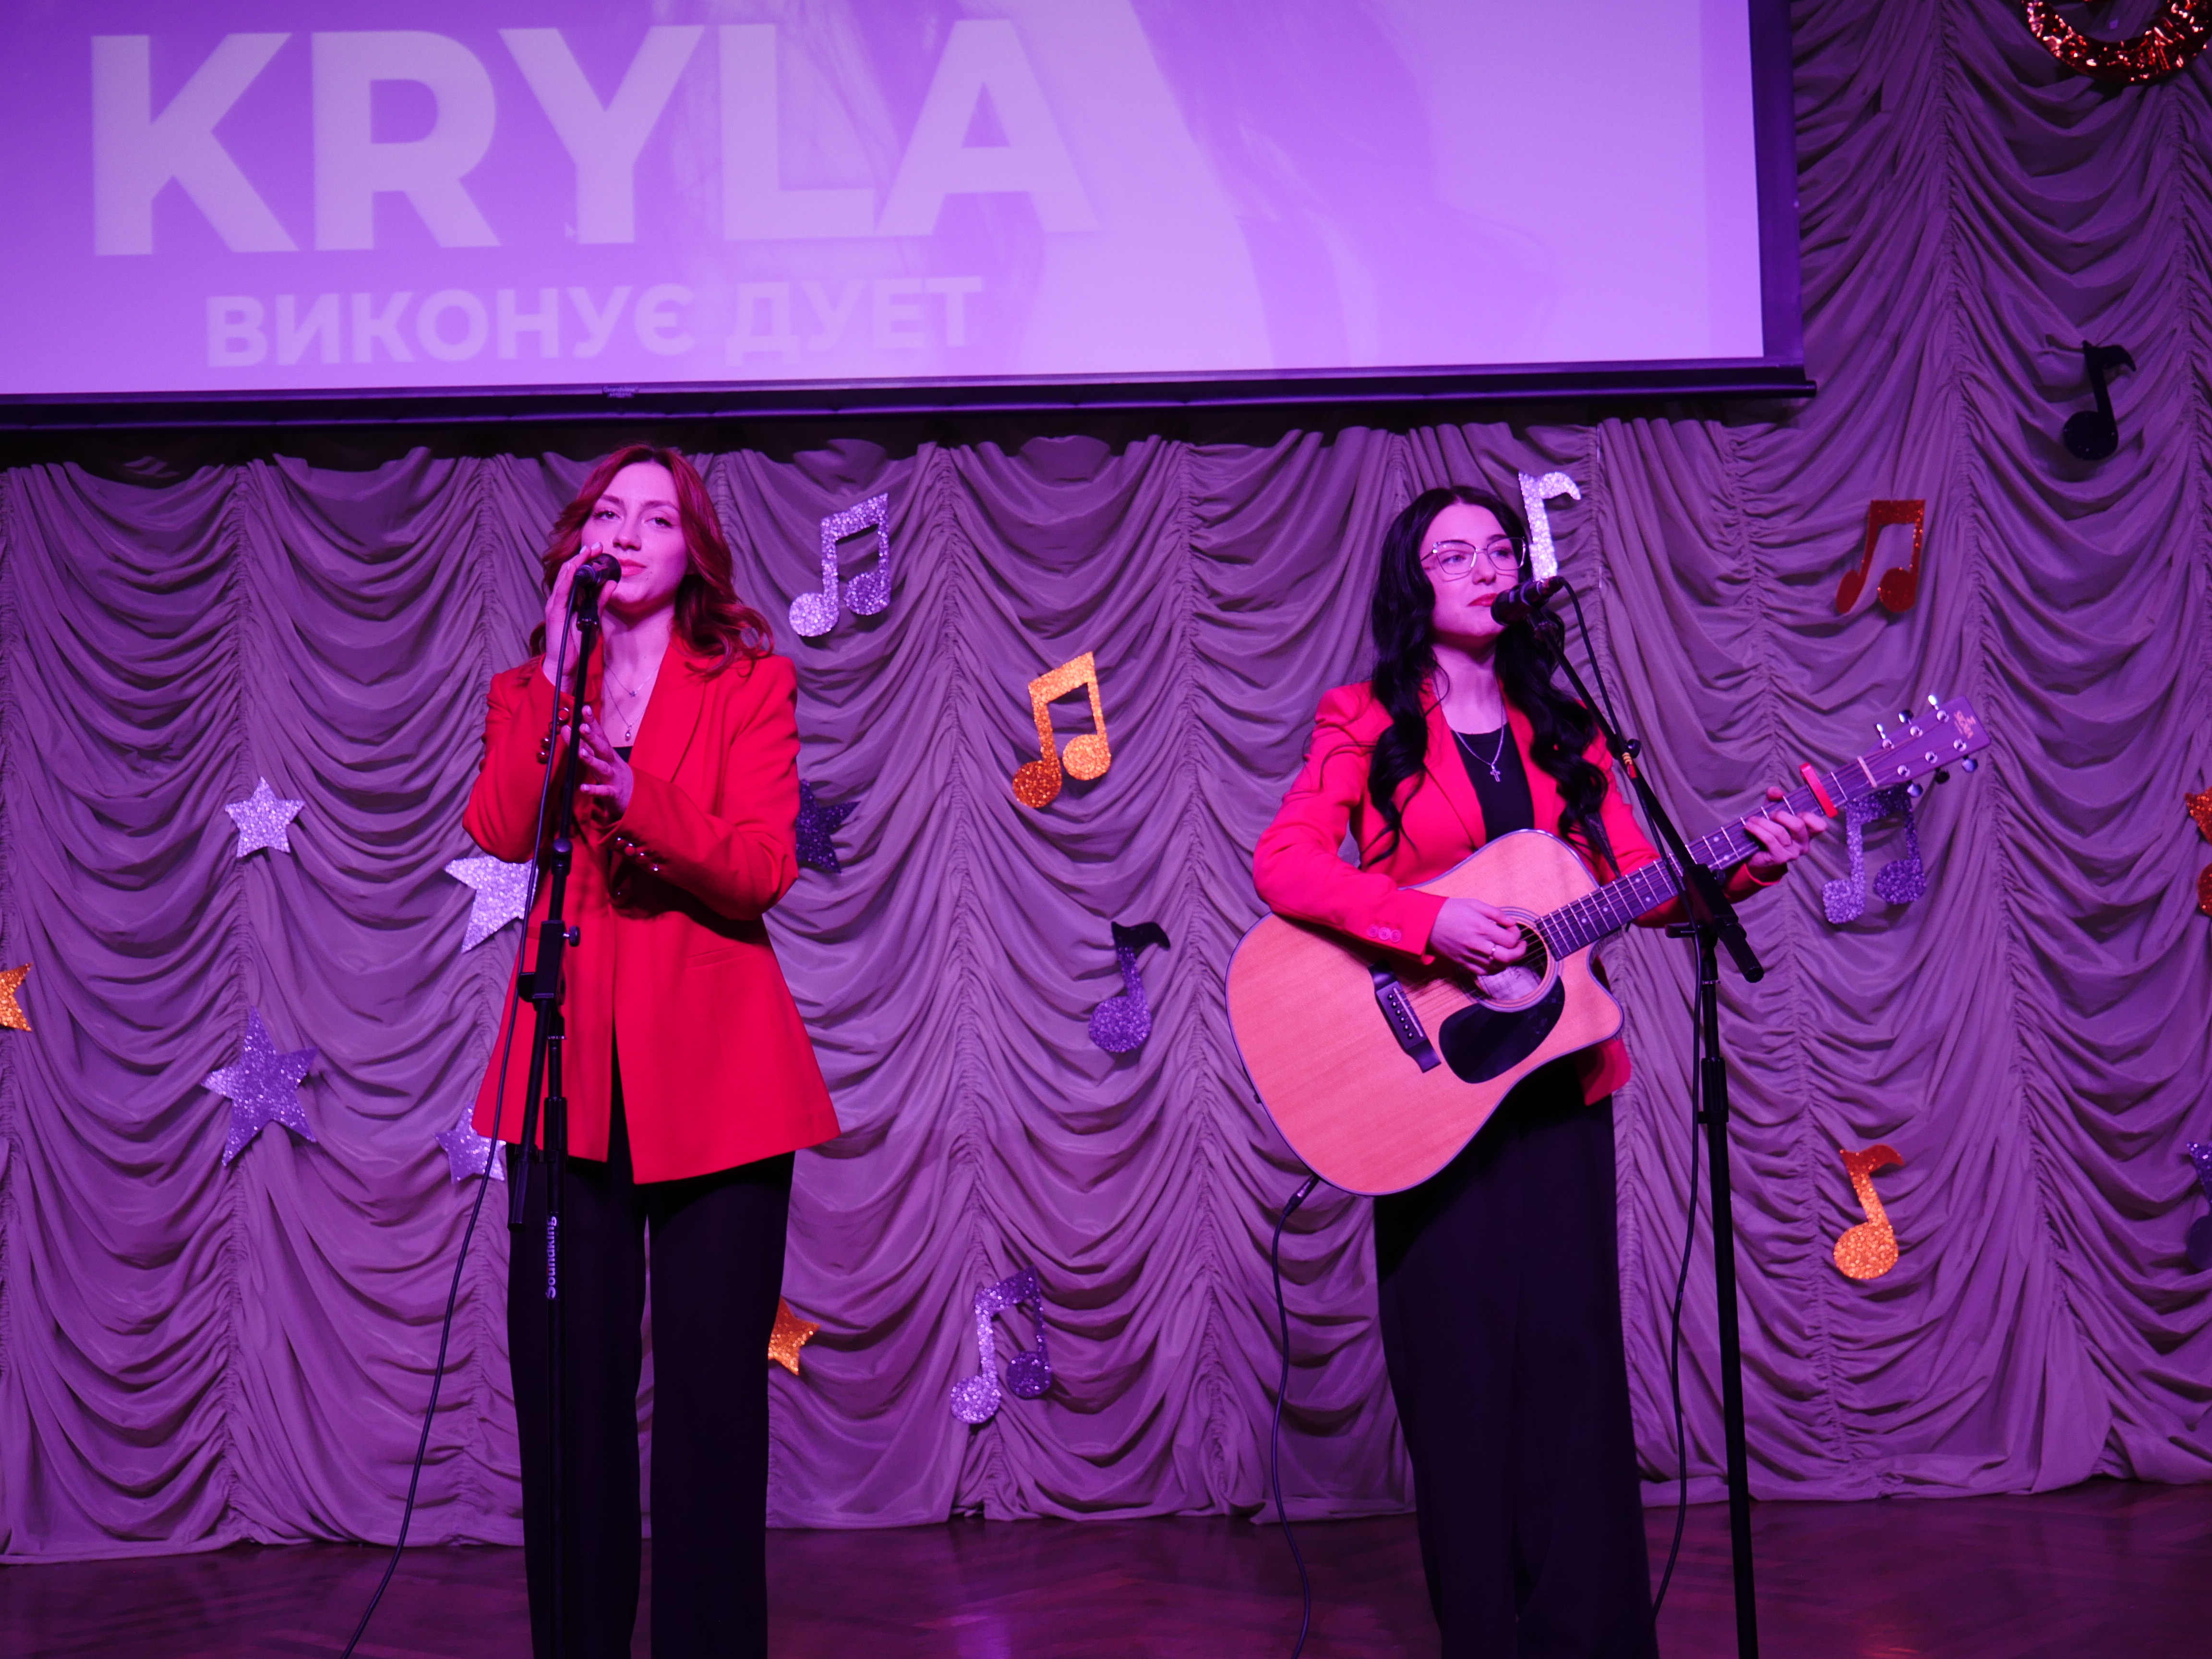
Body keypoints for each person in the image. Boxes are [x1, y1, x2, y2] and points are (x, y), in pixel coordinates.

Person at [1251, 485, 1825, 1657]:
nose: (1485, 567)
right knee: (1459, 1375)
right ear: (1415, 583)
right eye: (1453, 554)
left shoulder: (1570, 728)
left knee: (1572, 1362)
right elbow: (1287, 866)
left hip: (1559, 1078)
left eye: (1499, 550)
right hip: (1423, 1091)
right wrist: (1432, 924)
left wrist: (1754, 861)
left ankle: (1591, 1636)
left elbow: (1640, 884)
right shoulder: (1363, 719)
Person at [462, 444, 838, 1659]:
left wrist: (638, 797)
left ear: (694, 555)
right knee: (568, 1405)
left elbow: (762, 865)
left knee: (711, 1413)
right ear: (580, 544)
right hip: (564, 1081)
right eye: (608, 515)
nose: (625, 535)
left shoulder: (749, 685)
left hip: (722, 1089)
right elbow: (501, 827)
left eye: (657, 519)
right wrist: (557, 672)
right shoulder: (528, 688)